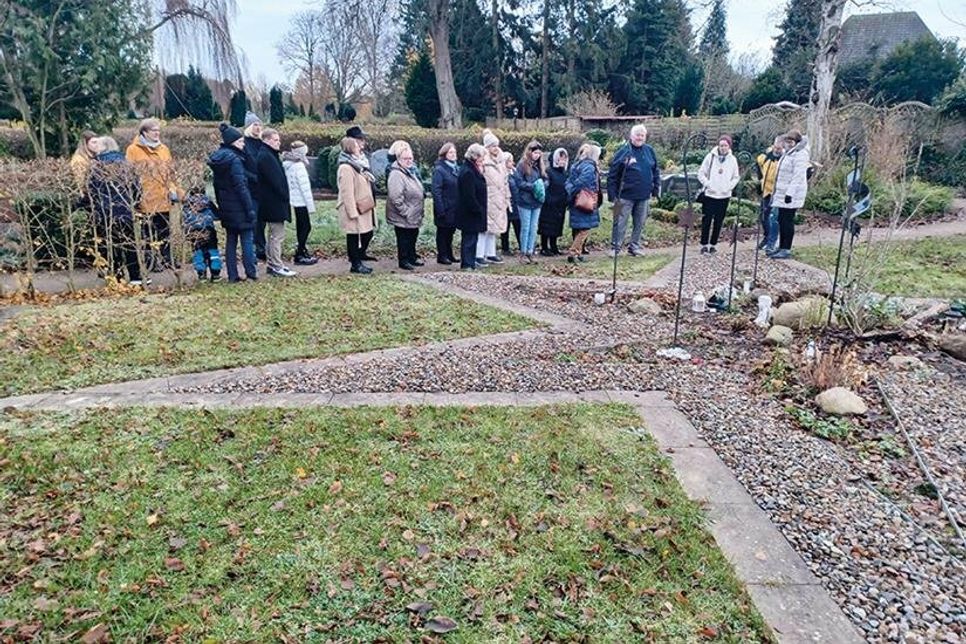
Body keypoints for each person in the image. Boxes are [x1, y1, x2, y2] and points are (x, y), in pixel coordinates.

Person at [125, 118, 181, 271]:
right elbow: (130, 174)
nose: (157, 134)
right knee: (148, 234)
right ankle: (151, 262)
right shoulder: (133, 150)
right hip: (145, 198)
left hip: (163, 197)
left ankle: (167, 259)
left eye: (158, 131)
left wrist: (174, 189)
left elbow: (170, 172)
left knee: (165, 232)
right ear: (144, 132)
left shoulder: (164, 149)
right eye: (153, 131)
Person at [88, 137, 145, 286]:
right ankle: (135, 277)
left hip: (106, 212)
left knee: (111, 245)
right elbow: (137, 187)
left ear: (104, 147)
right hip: (126, 210)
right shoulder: (126, 164)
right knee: (130, 244)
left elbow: (92, 191)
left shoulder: (97, 166)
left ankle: (117, 276)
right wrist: (133, 203)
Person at [209, 123, 258, 283]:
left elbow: (217, 186)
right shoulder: (235, 160)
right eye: (242, 142)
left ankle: (232, 275)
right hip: (239, 206)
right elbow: (241, 186)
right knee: (247, 239)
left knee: (231, 241)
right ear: (234, 142)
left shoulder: (218, 160)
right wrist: (249, 209)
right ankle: (250, 273)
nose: (244, 145)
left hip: (226, 207)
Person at [607, 124, 660, 257]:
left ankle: (634, 246)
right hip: (624, 195)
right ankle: (616, 247)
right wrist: (612, 195)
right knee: (619, 222)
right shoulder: (623, 151)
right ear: (631, 136)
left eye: (642, 135)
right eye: (637, 135)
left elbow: (656, 171)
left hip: (644, 195)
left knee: (640, 222)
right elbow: (613, 173)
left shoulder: (650, 151)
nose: (640, 137)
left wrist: (655, 189)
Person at [256, 128, 296, 277]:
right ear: (266, 140)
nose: (278, 143)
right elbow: (276, 181)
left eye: (279, 140)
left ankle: (275, 264)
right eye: (275, 140)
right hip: (273, 203)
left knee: (275, 235)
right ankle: (275, 265)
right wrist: (285, 195)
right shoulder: (266, 156)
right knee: (276, 236)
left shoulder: (268, 155)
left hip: (273, 202)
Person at [337, 136, 377, 274]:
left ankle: (359, 257)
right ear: (349, 149)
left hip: (363, 206)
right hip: (354, 207)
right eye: (356, 146)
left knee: (366, 233)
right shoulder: (346, 168)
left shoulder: (357, 164)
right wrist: (352, 212)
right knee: (353, 236)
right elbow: (346, 193)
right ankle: (355, 264)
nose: (359, 147)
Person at [768, 130, 810, 260]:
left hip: (791, 194)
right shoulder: (788, 153)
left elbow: (798, 176)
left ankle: (786, 248)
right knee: (781, 220)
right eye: (787, 141)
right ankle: (781, 246)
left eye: (791, 142)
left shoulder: (800, 155)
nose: (789, 144)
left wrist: (789, 193)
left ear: (797, 142)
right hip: (781, 192)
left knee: (787, 221)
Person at [697, 134, 740, 254]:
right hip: (710, 195)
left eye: (725, 145)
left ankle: (713, 244)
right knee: (706, 221)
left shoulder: (733, 160)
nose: (723, 148)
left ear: (729, 146)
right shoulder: (710, 157)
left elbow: (736, 177)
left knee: (718, 221)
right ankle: (704, 244)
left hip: (724, 196)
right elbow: (701, 173)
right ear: (718, 146)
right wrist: (709, 184)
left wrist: (729, 187)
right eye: (721, 145)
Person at [386, 141, 425, 270]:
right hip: (403, 215)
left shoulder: (410, 171)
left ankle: (412, 257)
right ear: (398, 159)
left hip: (413, 213)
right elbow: (395, 197)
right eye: (405, 158)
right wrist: (406, 212)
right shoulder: (396, 174)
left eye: (410, 158)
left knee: (412, 236)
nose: (409, 161)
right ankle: (404, 260)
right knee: (403, 238)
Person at [282, 140, 319, 265]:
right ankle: (300, 252)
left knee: (301, 226)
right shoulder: (298, 165)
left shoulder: (289, 163)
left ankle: (302, 250)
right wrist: (310, 205)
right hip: (301, 200)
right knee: (305, 226)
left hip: (295, 199)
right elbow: (304, 187)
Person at [565, 144, 603, 263]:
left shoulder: (576, 165)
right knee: (585, 229)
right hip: (586, 199)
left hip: (576, 200)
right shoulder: (590, 167)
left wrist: (571, 191)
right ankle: (573, 252)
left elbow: (569, 181)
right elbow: (582, 182)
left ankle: (579, 253)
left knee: (578, 228)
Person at [456, 144, 488, 270]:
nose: (483, 159)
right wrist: (478, 209)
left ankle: (471, 262)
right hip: (469, 213)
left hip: (473, 212)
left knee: (473, 238)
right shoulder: (468, 172)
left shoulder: (472, 169)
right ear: (475, 156)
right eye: (481, 156)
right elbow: (469, 195)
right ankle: (467, 264)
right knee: (469, 239)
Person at [479, 132, 509, 265]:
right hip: (487, 197)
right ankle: (479, 254)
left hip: (499, 198)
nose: (495, 148)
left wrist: (507, 197)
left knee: (494, 229)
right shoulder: (483, 161)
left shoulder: (501, 161)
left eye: (496, 145)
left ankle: (491, 253)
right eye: (492, 146)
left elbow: (505, 181)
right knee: (484, 228)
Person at [515, 140, 546, 263]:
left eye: (539, 153)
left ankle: (530, 251)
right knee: (526, 227)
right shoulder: (522, 165)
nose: (537, 155)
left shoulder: (539, 166)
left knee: (534, 227)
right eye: (535, 153)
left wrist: (543, 186)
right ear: (529, 152)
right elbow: (519, 182)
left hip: (537, 201)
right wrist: (532, 186)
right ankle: (523, 252)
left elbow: (545, 179)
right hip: (525, 201)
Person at [182, 187, 223, 282]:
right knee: (213, 251)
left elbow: (184, 219)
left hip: (193, 231)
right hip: (209, 230)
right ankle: (215, 273)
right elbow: (217, 216)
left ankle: (201, 273)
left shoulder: (187, 204)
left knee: (198, 252)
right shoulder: (208, 202)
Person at [431, 142, 460, 265]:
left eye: (454, 152)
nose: (453, 155)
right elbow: (436, 190)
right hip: (444, 206)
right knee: (443, 232)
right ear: (444, 154)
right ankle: (442, 255)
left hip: (454, 206)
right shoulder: (440, 169)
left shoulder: (456, 168)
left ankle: (449, 253)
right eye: (450, 152)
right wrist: (440, 208)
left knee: (450, 232)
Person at [243, 112, 267, 260]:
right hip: (251, 188)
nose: (258, 128)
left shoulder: (262, 143)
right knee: (254, 220)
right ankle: (253, 250)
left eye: (259, 125)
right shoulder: (244, 143)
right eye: (255, 125)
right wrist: (254, 178)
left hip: (263, 188)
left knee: (262, 220)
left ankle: (261, 247)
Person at [756, 137, 785, 252]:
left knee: (773, 218)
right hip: (766, 191)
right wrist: (760, 181)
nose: (777, 150)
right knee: (763, 217)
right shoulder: (766, 157)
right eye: (776, 147)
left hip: (777, 192)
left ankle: (772, 241)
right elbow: (759, 164)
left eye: (780, 148)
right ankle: (767, 236)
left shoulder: (784, 159)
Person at [539, 148, 569, 256]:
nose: (563, 161)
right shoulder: (548, 171)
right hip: (549, 203)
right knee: (546, 226)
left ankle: (554, 246)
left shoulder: (564, 173)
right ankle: (544, 247)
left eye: (564, 159)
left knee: (557, 226)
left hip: (560, 204)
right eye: (560, 159)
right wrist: (549, 199)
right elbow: (545, 187)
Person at [502, 152, 522, 257]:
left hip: (516, 202)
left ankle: (522, 246)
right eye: (509, 161)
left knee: (518, 225)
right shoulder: (503, 173)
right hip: (507, 203)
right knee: (506, 227)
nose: (512, 163)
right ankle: (505, 248)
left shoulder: (514, 172)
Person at [70, 130, 99, 195]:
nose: (97, 145)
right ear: (85, 144)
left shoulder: (94, 157)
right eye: (94, 142)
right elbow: (80, 182)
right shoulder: (79, 159)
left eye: (98, 142)